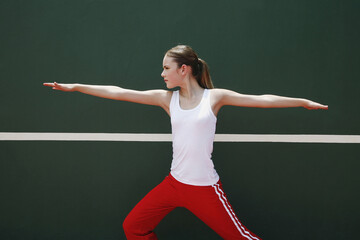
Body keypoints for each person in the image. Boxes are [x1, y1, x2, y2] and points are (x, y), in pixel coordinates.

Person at [44, 45, 328, 240]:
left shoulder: (213, 98)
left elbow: (262, 100)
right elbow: (118, 92)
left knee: (241, 237)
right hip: (174, 184)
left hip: (204, 187)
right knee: (133, 227)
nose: (162, 73)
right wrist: (76, 87)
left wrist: (301, 102)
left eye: (166, 67)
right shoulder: (167, 99)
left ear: (184, 69)